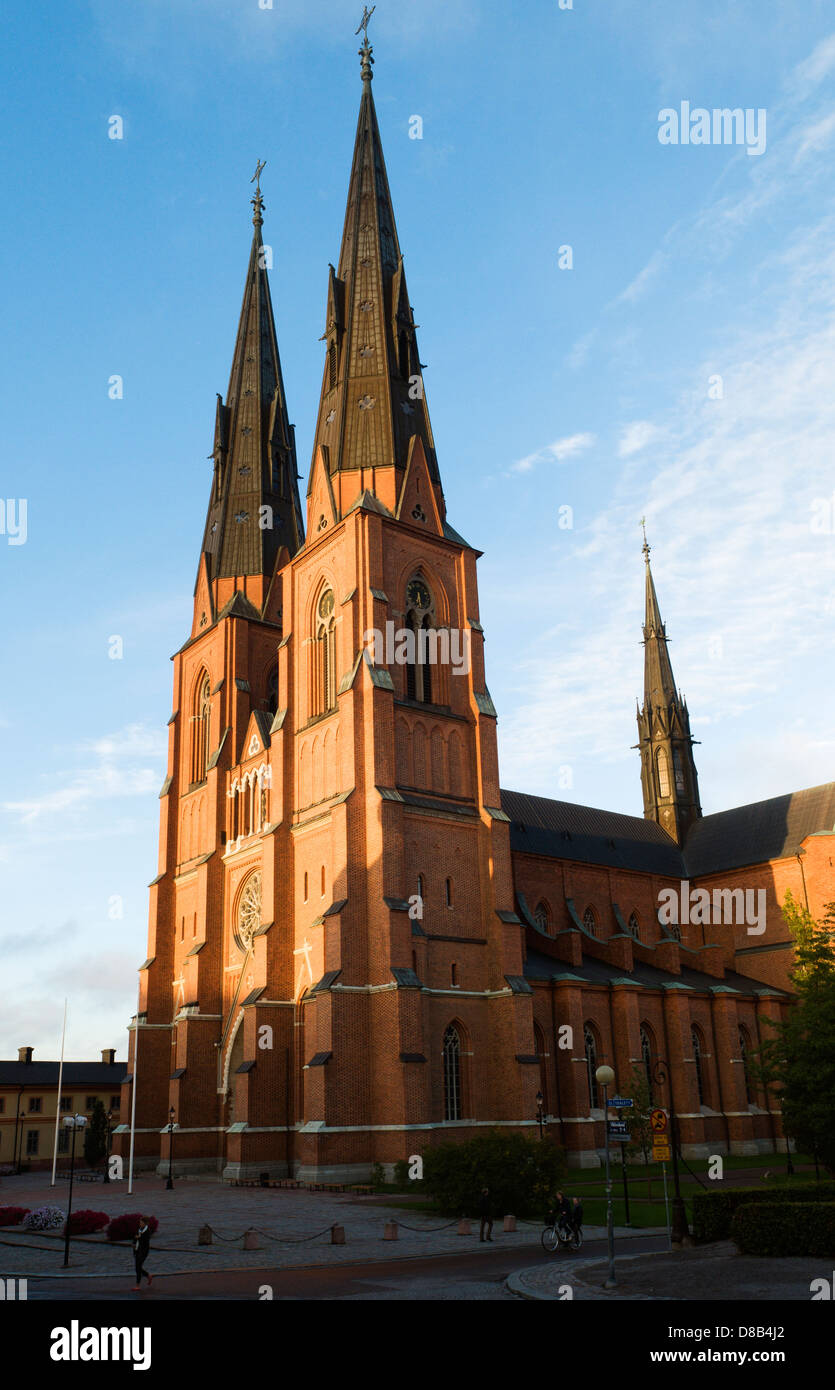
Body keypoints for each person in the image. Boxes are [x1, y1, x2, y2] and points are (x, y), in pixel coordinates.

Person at [132, 1217, 153, 1291]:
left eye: (141, 1222)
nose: (140, 1224)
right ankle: (148, 1275)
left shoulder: (147, 1231)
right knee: (137, 1268)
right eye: (139, 1222)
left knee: (138, 1268)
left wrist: (139, 1238)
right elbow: (135, 1238)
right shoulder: (139, 1230)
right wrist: (133, 1244)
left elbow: (146, 1242)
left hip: (143, 1252)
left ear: (145, 1223)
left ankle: (137, 1286)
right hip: (137, 1250)